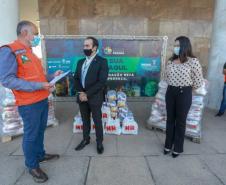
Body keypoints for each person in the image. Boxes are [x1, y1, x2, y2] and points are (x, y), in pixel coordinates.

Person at [0, 21, 61, 183]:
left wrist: (52, 76)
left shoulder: (30, 52)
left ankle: (40, 155)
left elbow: (39, 77)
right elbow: (7, 80)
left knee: (40, 131)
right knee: (31, 135)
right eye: (35, 33)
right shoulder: (9, 51)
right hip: (28, 103)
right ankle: (32, 165)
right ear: (25, 33)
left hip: (41, 99)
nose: (36, 37)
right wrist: (39, 85)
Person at [164, 36, 203, 158]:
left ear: (185, 46)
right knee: (170, 120)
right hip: (170, 92)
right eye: (174, 45)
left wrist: (187, 88)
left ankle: (178, 147)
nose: (175, 48)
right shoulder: (171, 61)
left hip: (184, 93)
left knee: (180, 122)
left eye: (178, 45)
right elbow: (166, 77)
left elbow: (198, 81)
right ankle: (168, 144)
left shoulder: (193, 61)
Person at [74, 37, 109, 154]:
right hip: (81, 96)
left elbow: (101, 82)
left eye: (87, 46)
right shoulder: (80, 62)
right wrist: (80, 92)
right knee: (85, 120)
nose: (85, 48)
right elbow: (76, 79)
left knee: (97, 120)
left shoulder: (102, 61)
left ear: (94, 48)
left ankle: (99, 142)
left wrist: (87, 94)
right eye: (84, 46)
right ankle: (86, 139)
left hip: (94, 97)